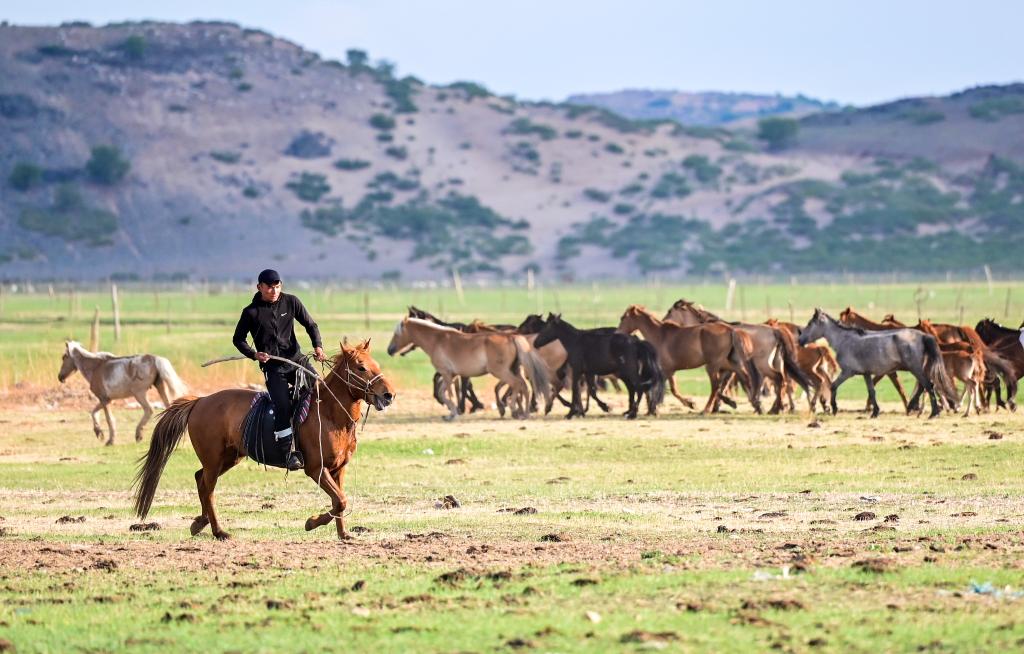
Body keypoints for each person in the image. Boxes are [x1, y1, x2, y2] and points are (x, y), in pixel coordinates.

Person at [233, 269, 325, 470]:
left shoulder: (291, 302)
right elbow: (238, 339)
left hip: (297, 362)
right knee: (282, 405)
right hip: (273, 368)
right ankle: (289, 453)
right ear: (260, 287)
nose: (274, 290)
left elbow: (311, 325)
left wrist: (318, 346)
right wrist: (254, 354)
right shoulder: (251, 312)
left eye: (277, 286)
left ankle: (321, 439)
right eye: (269, 287)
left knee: (320, 389)